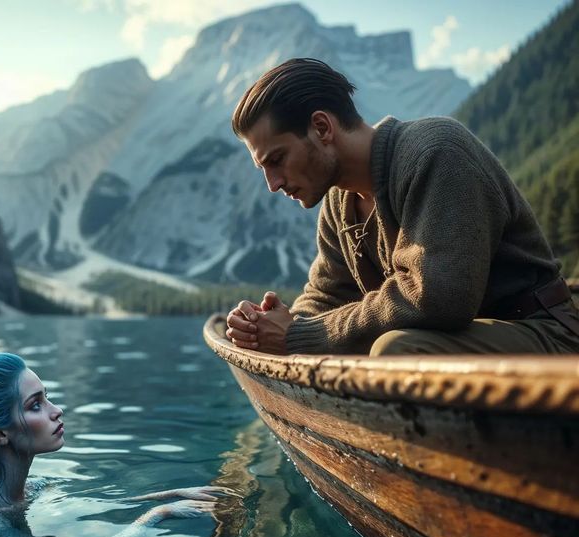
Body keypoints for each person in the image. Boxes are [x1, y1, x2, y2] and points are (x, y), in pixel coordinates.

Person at [225, 58, 579, 356]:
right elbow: (328, 295)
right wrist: (271, 325)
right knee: (397, 347)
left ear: (321, 127)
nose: (272, 184)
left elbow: (437, 298)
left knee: (398, 350)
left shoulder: (436, 152)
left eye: (277, 159)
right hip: (464, 343)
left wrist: (297, 336)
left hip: (546, 337)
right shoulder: (338, 202)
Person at [0, 352, 224, 537]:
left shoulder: (33, 487)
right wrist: (157, 515)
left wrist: (166, 495)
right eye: (36, 405)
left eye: (47, 398)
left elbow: (90, 503)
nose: (57, 410)